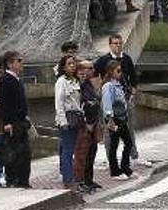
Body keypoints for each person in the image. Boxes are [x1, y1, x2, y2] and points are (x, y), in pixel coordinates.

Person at [0, 51, 32, 188]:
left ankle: (23, 180)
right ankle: (13, 179)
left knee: (24, 152)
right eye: (18, 60)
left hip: (21, 121)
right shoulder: (4, 80)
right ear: (10, 63)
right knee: (14, 151)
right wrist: (7, 122)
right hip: (12, 122)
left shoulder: (16, 79)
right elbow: (3, 103)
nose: (21, 63)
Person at [101, 60, 134, 179]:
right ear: (111, 72)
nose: (120, 73)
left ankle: (125, 167)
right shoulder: (108, 86)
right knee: (114, 145)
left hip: (122, 118)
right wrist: (110, 119)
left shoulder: (118, 85)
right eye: (118, 71)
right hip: (114, 119)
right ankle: (115, 171)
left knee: (128, 142)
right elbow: (107, 104)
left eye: (121, 71)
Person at [74, 59, 103, 193]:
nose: (92, 71)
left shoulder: (89, 84)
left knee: (92, 153)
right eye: (89, 68)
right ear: (81, 70)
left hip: (93, 123)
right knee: (82, 154)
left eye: (92, 68)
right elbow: (81, 104)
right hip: (84, 125)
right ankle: (81, 181)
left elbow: (95, 100)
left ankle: (89, 179)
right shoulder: (78, 85)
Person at [54, 56, 82, 189]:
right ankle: (68, 178)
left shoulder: (76, 81)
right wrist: (62, 121)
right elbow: (59, 103)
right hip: (67, 117)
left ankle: (72, 176)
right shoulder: (61, 81)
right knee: (67, 149)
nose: (72, 66)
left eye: (73, 63)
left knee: (73, 148)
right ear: (63, 67)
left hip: (76, 117)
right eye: (69, 64)